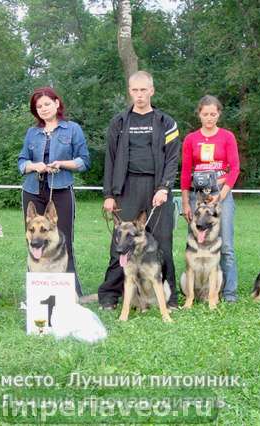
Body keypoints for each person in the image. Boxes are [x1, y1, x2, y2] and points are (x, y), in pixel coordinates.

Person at [98, 70, 180, 310]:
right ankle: (109, 295)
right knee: (121, 242)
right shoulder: (119, 122)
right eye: (135, 90)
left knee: (163, 243)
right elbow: (110, 159)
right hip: (127, 188)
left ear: (152, 91)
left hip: (157, 188)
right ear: (130, 92)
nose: (140, 95)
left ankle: (169, 297)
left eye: (144, 90)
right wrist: (109, 194)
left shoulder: (167, 123)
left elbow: (172, 158)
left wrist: (164, 187)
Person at [18, 86, 91, 297]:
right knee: (34, 240)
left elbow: (84, 161)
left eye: (47, 104)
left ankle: (72, 293)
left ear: (57, 103)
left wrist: (62, 164)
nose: (43, 108)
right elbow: (22, 162)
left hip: (61, 190)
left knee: (64, 241)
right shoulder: (32, 133)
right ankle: (35, 294)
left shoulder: (72, 129)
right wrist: (35, 166)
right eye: (38, 106)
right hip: (32, 190)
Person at [180, 95, 240, 302]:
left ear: (219, 114)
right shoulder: (191, 139)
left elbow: (234, 168)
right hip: (198, 195)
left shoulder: (227, 137)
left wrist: (220, 196)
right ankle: (196, 290)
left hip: (221, 194)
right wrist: (186, 202)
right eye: (205, 114)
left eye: (213, 114)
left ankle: (229, 292)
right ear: (199, 114)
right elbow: (185, 172)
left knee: (226, 245)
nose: (209, 118)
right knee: (196, 242)